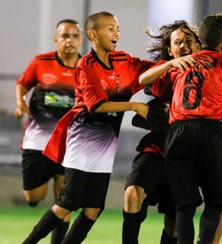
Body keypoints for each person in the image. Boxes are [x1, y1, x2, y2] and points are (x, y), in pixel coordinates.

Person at [22, 11, 154, 244]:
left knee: (93, 209)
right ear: (93, 34)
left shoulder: (123, 60)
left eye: (118, 28)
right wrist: (133, 105)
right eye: (111, 28)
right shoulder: (86, 64)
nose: (117, 33)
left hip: (105, 146)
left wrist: (175, 61)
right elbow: (96, 106)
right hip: (82, 141)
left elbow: (151, 69)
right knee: (67, 203)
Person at [141, 13, 222, 244]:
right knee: (217, 201)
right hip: (210, 131)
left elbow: (146, 82)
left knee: (185, 204)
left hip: (178, 134)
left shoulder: (182, 64)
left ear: (201, 39)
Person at [122, 20, 200, 244]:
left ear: (197, 45)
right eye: (178, 42)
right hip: (156, 148)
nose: (184, 45)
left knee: (174, 223)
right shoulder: (164, 72)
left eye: (189, 41)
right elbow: (145, 81)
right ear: (169, 49)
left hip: (185, 158)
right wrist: (170, 65)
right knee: (132, 194)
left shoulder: (206, 72)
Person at [14, 19, 83, 243]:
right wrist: (20, 103)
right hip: (38, 140)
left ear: (81, 39)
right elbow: (22, 84)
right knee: (34, 197)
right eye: (65, 36)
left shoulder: (87, 67)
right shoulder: (41, 62)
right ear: (56, 39)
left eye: (74, 36)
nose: (69, 41)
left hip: (69, 142)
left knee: (64, 196)